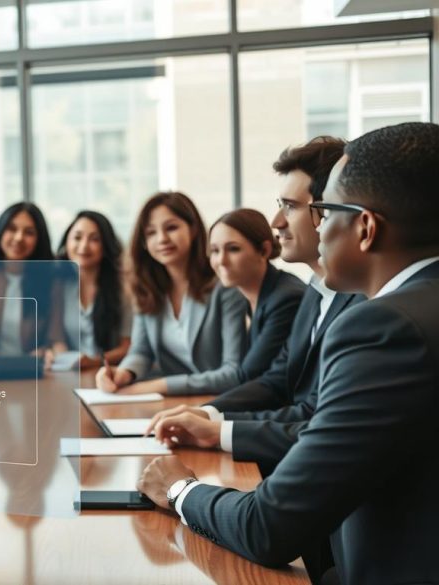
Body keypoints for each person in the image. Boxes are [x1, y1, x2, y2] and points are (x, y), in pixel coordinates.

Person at [139, 122, 439, 585]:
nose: (316, 225)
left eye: (323, 209)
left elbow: (269, 527)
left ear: (365, 227)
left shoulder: (383, 327)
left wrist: (179, 489)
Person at [146, 137, 361, 477]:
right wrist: (208, 413)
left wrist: (216, 427)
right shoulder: (314, 293)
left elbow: (313, 414)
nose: (276, 221)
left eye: (289, 206)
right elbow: (277, 378)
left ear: (328, 210)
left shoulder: (357, 307)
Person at [96, 192, 246, 395]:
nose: (162, 239)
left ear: (193, 230)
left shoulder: (225, 287)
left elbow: (232, 372)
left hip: (219, 401)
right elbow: (141, 351)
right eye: (151, 233)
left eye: (171, 228)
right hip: (173, 404)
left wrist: (158, 386)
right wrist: (124, 373)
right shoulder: (146, 286)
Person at [208, 209, 304, 381]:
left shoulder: (286, 298)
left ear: (264, 251)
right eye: (215, 251)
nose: (221, 260)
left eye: (233, 249)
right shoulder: (251, 296)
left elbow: (250, 373)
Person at [49, 210, 132, 369]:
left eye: (94, 239)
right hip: (70, 372)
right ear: (67, 242)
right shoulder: (59, 284)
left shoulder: (123, 289)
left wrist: (95, 361)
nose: (84, 246)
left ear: (106, 245)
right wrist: (66, 359)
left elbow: (128, 347)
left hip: (111, 372)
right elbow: (57, 339)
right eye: (77, 237)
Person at [0, 202, 55, 357]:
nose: (19, 238)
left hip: (33, 372)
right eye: (11, 229)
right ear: (0, 232)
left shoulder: (50, 280)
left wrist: (47, 351)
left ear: (39, 239)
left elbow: (55, 338)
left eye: (29, 232)